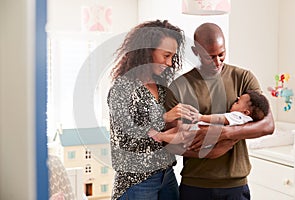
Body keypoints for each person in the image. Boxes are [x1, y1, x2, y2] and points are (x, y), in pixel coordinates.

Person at [163, 23, 275, 200]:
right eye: (210, 57)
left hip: (235, 185)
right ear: (196, 51)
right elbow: (171, 142)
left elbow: (268, 124)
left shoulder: (243, 78)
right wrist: (208, 150)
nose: (217, 62)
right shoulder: (179, 87)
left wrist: (225, 133)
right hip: (195, 185)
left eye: (221, 54)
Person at [107, 19, 199, 200]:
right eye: (166, 56)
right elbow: (127, 140)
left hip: (166, 175)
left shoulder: (162, 86)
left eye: (173, 56)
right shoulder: (122, 88)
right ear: (147, 51)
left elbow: (163, 132)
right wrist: (164, 118)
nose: (170, 63)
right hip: (137, 181)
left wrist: (184, 125)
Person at [195, 90, 270, 126]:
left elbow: (219, 119)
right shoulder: (246, 121)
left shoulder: (239, 117)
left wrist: (201, 117)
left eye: (237, 102)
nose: (236, 100)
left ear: (245, 112)